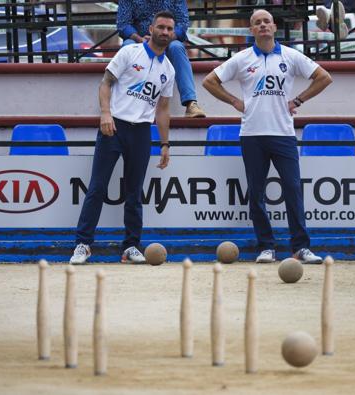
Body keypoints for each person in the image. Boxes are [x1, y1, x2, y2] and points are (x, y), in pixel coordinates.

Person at [202, 9, 332, 264]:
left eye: (266, 22)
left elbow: (324, 77)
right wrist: (233, 101)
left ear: (274, 27)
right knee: (257, 193)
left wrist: (298, 100)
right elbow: (209, 81)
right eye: (257, 23)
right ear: (251, 30)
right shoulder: (242, 58)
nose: (262, 26)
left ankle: (301, 248)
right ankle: (266, 247)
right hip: (252, 134)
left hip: (283, 133)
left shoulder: (291, 56)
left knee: (293, 190)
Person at [70, 11, 176, 264]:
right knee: (97, 187)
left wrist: (164, 144)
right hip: (114, 127)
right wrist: (105, 113)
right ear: (151, 28)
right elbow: (105, 83)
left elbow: (162, 109)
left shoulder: (169, 70)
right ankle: (83, 244)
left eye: (169, 29)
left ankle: (131, 246)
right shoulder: (130, 53)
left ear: (173, 33)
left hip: (141, 132)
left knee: (134, 192)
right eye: (160, 27)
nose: (165, 32)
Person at [117, 1, 206, 118]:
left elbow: (182, 24)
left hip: (167, 40)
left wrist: (165, 38)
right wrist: (141, 40)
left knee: (177, 47)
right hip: (139, 41)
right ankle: (121, 100)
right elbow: (123, 25)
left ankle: (191, 103)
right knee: (128, 45)